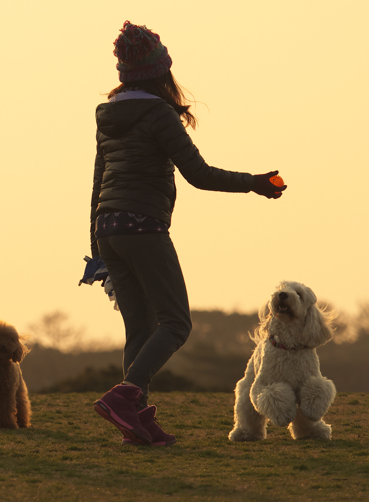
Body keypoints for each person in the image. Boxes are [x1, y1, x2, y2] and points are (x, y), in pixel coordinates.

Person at [90, 22, 286, 446]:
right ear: (160, 72)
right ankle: (126, 397)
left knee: (140, 331)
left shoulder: (108, 115)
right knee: (176, 323)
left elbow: (98, 180)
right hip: (144, 226)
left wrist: (97, 249)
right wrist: (253, 182)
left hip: (109, 228)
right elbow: (198, 174)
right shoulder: (158, 114)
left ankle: (134, 423)